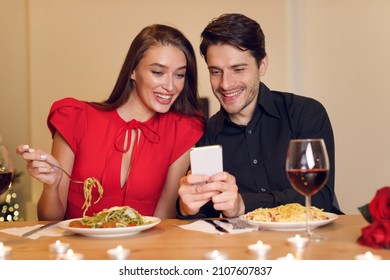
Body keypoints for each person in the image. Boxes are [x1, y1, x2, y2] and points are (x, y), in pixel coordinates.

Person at [17, 24, 205, 221]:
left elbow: (164, 220)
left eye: (179, 75)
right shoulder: (75, 118)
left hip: (145, 250)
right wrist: (52, 186)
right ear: (132, 71)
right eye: (158, 72)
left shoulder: (182, 129)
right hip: (78, 249)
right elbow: (49, 220)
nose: (170, 86)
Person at [177, 13, 342, 219]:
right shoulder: (208, 132)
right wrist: (187, 207)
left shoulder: (305, 113)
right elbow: (204, 213)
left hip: (312, 241)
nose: (225, 84)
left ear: (262, 65)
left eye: (238, 69)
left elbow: (319, 197)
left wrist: (243, 203)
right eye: (216, 72)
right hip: (246, 247)